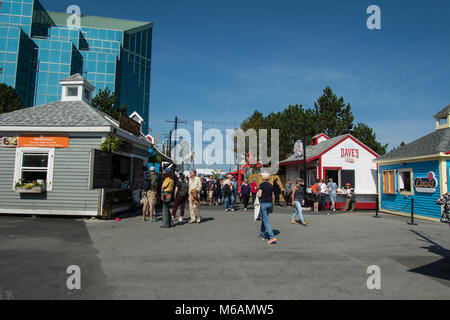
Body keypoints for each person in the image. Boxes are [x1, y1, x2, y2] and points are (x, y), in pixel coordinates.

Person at [257, 172, 277, 244]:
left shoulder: (262, 185)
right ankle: (262, 235)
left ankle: (272, 237)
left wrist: (258, 192)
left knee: (265, 221)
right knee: (264, 219)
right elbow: (272, 196)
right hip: (269, 203)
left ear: (263, 178)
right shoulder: (271, 185)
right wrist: (272, 206)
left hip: (264, 203)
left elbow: (259, 195)